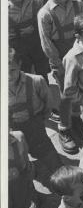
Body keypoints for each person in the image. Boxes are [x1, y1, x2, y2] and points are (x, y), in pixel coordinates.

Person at [37, 0, 83, 154]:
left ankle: (79, 122)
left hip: (79, 54)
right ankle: (65, 129)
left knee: (82, 91)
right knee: (67, 95)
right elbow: (46, 43)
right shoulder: (45, 13)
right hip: (61, 60)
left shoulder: (78, 3)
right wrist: (59, 64)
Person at [8, 48, 62, 176]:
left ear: (20, 64)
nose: (9, 76)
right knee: (20, 169)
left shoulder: (36, 81)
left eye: (12, 70)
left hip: (35, 129)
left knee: (55, 165)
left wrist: (40, 121)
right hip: (13, 133)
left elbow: (48, 105)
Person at [8, 0, 49, 77]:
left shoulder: (36, 1)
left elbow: (46, 27)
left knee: (43, 79)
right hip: (17, 54)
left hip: (37, 49)